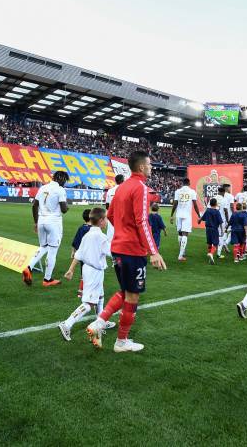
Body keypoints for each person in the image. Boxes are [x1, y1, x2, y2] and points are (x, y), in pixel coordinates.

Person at [86, 151, 167, 353]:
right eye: (149, 164)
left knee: (125, 291)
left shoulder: (121, 187)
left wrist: (123, 231)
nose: (151, 167)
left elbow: (110, 215)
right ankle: (121, 341)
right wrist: (153, 251)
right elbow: (142, 221)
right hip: (132, 250)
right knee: (132, 296)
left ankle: (99, 322)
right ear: (141, 167)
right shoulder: (140, 188)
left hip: (118, 248)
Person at [59, 208, 112, 341]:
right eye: (105, 218)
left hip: (89, 270)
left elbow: (79, 254)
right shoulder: (101, 237)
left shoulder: (87, 235)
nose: (107, 220)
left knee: (100, 297)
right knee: (89, 303)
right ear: (100, 221)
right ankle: (67, 324)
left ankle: (101, 322)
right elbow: (112, 252)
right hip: (94, 272)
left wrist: (71, 269)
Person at [24, 170, 70, 287]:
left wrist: (36, 222)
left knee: (43, 247)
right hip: (53, 222)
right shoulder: (60, 190)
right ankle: (47, 279)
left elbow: (34, 205)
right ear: (62, 179)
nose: (65, 183)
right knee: (53, 250)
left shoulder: (43, 188)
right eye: (65, 181)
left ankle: (29, 267)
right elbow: (64, 209)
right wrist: (67, 206)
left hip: (41, 221)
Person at [170, 178, 200, 261]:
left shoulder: (178, 191)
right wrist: (199, 215)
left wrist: (172, 215)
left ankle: (182, 251)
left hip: (179, 214)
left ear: (182, 183)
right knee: (185, 234)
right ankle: (180, 255)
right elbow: (195, 205)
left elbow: (175, 204)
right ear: (189, 183)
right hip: (187, 215)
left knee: (180, 233)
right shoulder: (192, 192)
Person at [70, 208, 93, 298]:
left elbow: (76, 241)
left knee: (84, 272)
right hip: (90, 255)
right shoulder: (93, 229)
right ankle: (84, 290)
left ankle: (81, 290)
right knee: (90, 273)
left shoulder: (81, 228)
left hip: (81, 255)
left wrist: (73, 252)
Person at [199, 198, 223, 265]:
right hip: (214, 229)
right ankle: (211, 254)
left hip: (207, 229)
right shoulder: (217, 211)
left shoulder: (208, 210)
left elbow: (202, 218)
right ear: (216, 204)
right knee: (215, 243)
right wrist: (222, 230)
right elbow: (220, 222)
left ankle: (210, 257)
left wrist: (199, 220)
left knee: (209, 243)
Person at [105, 174, 125, 245]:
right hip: (122, 213)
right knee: (122, 230)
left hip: (112, 212)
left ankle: (109, 247)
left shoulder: (110, 191)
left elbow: (107, 204)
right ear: (123, 181)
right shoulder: (125, 190)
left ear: (115, 181)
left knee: (110, 230)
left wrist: (108, 212)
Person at [216, 186, 233, 259]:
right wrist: (228, 220)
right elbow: (226, 211)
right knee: (221, 235)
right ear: (223, 192)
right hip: (221, 220)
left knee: (214, 235)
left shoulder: (213, 198)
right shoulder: (224, 199)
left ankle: (210, 251)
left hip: (213, 220)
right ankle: (218, 253)